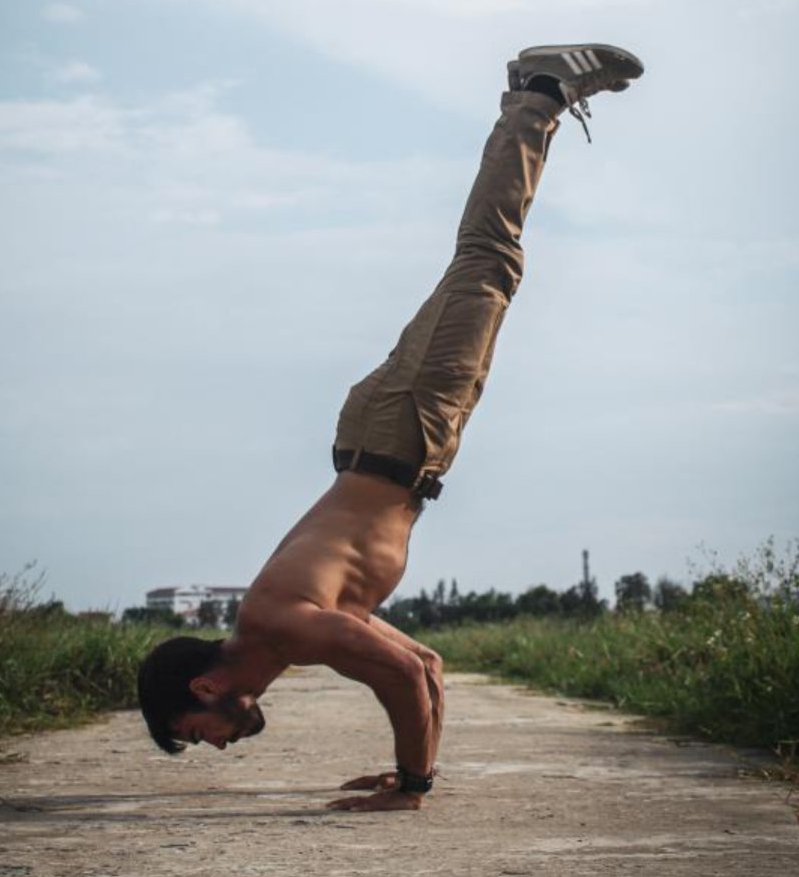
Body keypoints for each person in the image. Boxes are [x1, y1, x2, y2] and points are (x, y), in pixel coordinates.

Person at [138, 43, 644, 811]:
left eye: (194, 729)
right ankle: (530, 96)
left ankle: (539, 93)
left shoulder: (283, 625)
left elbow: (406, 678)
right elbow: (428, 666)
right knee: (485, 265)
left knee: (488, 261)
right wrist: (412, 774)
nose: (209, 744)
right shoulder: (294, 633)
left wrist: (411, 788)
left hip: (398, 434)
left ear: (207, 687)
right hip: (396, 440)